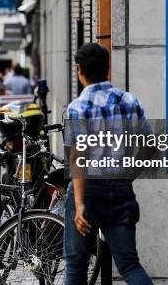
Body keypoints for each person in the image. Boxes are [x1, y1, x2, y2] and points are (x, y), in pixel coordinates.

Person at [64, 43, 152, 285]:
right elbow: (149, 146)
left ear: (79, 70)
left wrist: (80, 205)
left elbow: (78, 158)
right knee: (130, 265)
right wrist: (127, 175)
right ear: (107, 68)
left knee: (76, 267)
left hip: (88, 190)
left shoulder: (78, 107)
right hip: (120, 188)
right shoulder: (129, 101)